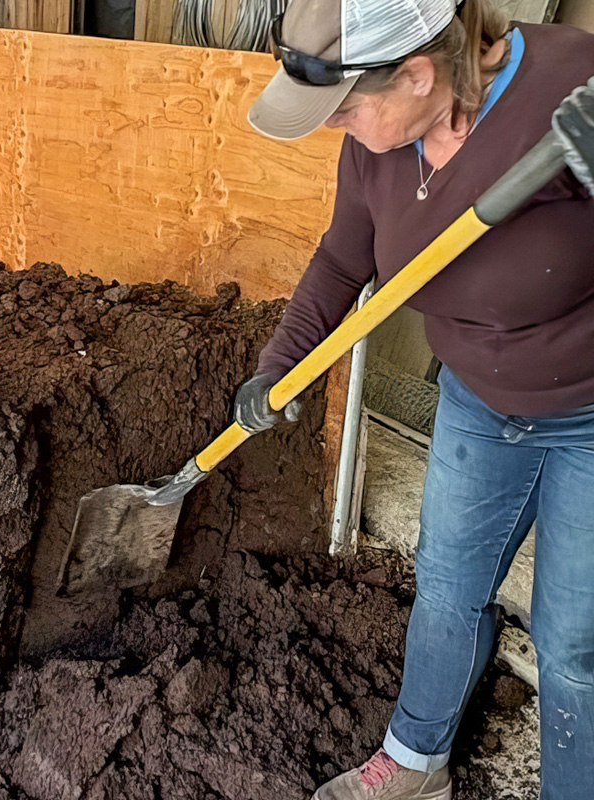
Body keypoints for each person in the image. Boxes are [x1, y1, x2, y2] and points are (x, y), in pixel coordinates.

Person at [235, 0, 594, 798]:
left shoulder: (575, 88)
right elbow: (341, 261)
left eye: (345, 109)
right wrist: (281, 365)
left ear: (419, 75)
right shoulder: (381, 146)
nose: (335, 129)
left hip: (589, 412)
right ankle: (416, 762)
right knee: (447, 587)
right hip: (475, 397)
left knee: (574, 647)